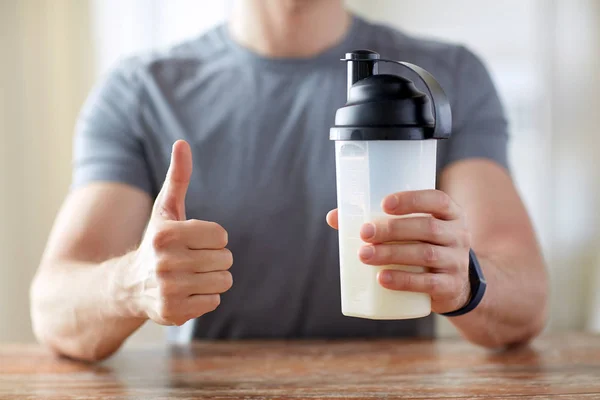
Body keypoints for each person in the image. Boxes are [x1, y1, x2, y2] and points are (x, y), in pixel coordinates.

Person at [30, 0, 548, 362]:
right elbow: (54, 311)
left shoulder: (442, 78)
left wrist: (465, 280)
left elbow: (526, 301)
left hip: (396, 383)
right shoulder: (140, 91)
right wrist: (132, 283)